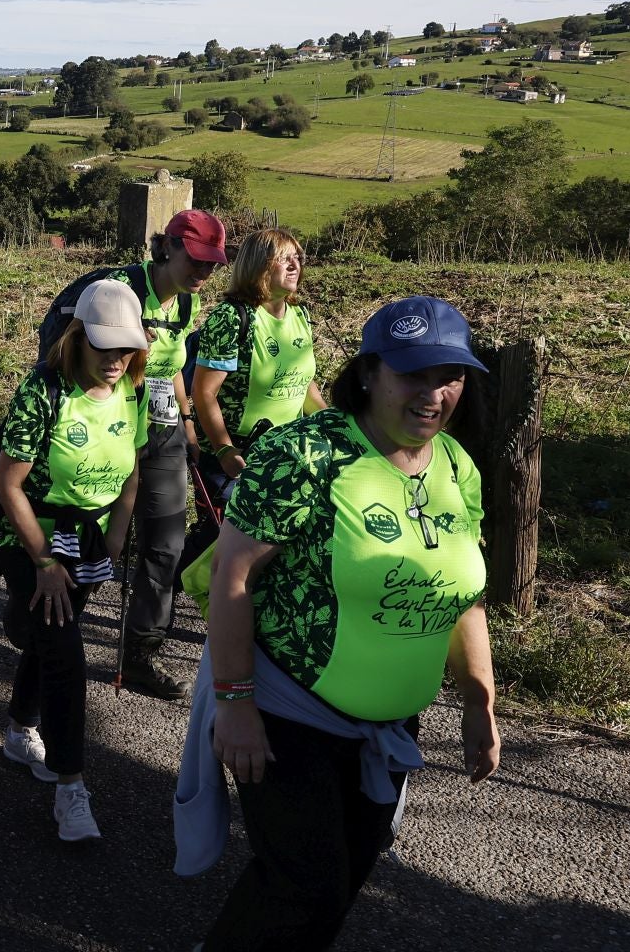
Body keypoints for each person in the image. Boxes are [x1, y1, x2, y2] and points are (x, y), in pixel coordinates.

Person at [176, 296, 500, 950]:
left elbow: (464, 594)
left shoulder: (457, 469)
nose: (434, 393)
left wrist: (478, 702)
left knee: (332, 886)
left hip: (390, 727)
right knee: (306, 887)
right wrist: (236, 704)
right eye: (414, 374)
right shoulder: (307, 455)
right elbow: (233, 575)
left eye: (451, 376)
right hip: (287, 714)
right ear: (369, 372)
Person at [0, 280, 149, 842]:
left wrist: (115, 538)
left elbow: (132, 468)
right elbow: (7, 483)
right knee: (66, 658)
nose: (117, 360)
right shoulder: (43, 389)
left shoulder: (134, 391)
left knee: (50, 636)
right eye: (106, 347)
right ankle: (70, 786)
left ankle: (19, 729)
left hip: (89, 539)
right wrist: (43, 559)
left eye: (127, 348)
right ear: (77, 338)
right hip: (33, 538)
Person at [113, 210, 227, 702]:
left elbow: (174, 364)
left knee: (166, 545)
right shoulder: (122, 290)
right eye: (196, 259)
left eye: (212, 262)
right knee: (94, 541)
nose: (204, 271)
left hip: (160, 434)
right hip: (107, 432)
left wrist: (185, 421)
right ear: (167, 248)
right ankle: (51, 636)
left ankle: (140, 653)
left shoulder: (186, 303)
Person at [191, 227, 327, 536]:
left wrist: (334, 426)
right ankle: (172, 583)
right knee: (220, 545)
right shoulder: (232, 318)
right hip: (239, 458)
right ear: (258, 264)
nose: (295, 266)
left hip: (288, 454)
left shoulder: (300, 316)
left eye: (298, 258)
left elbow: (304, 383)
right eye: (284, 258)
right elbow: (204, 392)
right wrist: (224, 451)